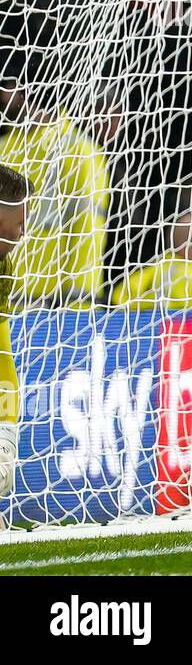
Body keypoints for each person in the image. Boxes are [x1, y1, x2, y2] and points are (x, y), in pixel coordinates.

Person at [0, 50, 109, 308]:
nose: (2, 96)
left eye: (6, 86)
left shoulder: (78, 149)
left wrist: (79, 307)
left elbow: (87, 232)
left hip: (54, 311)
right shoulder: (4, 147)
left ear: (22, 89)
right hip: (8, 301)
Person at [0, 164, 29, 524]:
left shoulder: (3, 269)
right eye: (19, 221)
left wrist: (5, 431)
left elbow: (1, 353)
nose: (24, 231)